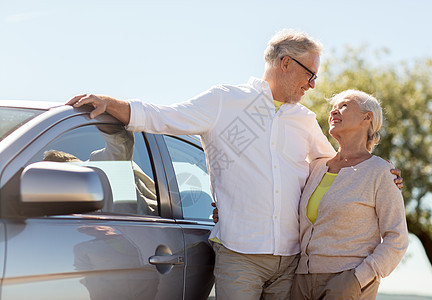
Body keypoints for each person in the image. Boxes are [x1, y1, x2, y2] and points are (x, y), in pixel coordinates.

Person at [66, 29, 402, 300]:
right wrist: (110, 102)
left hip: (291, 262)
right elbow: (163, 117)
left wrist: (380, 175)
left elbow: (334, 166)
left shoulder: (304, 120)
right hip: (239, 256)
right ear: (285, 64)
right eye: (310, 74)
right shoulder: (225, 101)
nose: (312, 85)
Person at [291, 90, 408, 300]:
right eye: (333, 108)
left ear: (367, 117)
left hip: (347, 283)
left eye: (344, 105)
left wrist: (358, 278)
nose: (334, 110)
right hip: (301, 281)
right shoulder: (315, 168)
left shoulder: (381, 172)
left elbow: (397, 238)